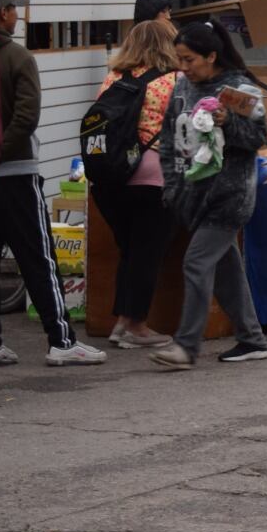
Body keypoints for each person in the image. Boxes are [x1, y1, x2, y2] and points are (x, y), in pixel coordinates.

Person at [0, 0, 105, 368]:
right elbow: (26, 117)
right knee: (39, 257)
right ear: (4, 13)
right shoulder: (18, 57)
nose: (16, 14)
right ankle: (61, 339)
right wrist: (0, 152)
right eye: (13, 9)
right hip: (17, 173)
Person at [148, 21, 267, 369]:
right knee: (226, 269)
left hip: (229, 196)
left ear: (212, 55)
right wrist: (172, 186)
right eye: (180, 60)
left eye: (189, 60)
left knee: (197, 262)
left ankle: (185, 346)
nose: (183, 68)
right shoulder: (182, 88)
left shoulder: (238, 90)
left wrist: (228, 122)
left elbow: (256, 138)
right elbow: (170, 140)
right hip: (191, 196)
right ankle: (252, 340)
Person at [93, 21, 180, 349]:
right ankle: (137, 326)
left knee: (129, 250)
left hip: (109, 177)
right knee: (148, 252)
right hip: (152, 176)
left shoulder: (113, 78)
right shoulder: (175, 80)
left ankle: (121, 322)